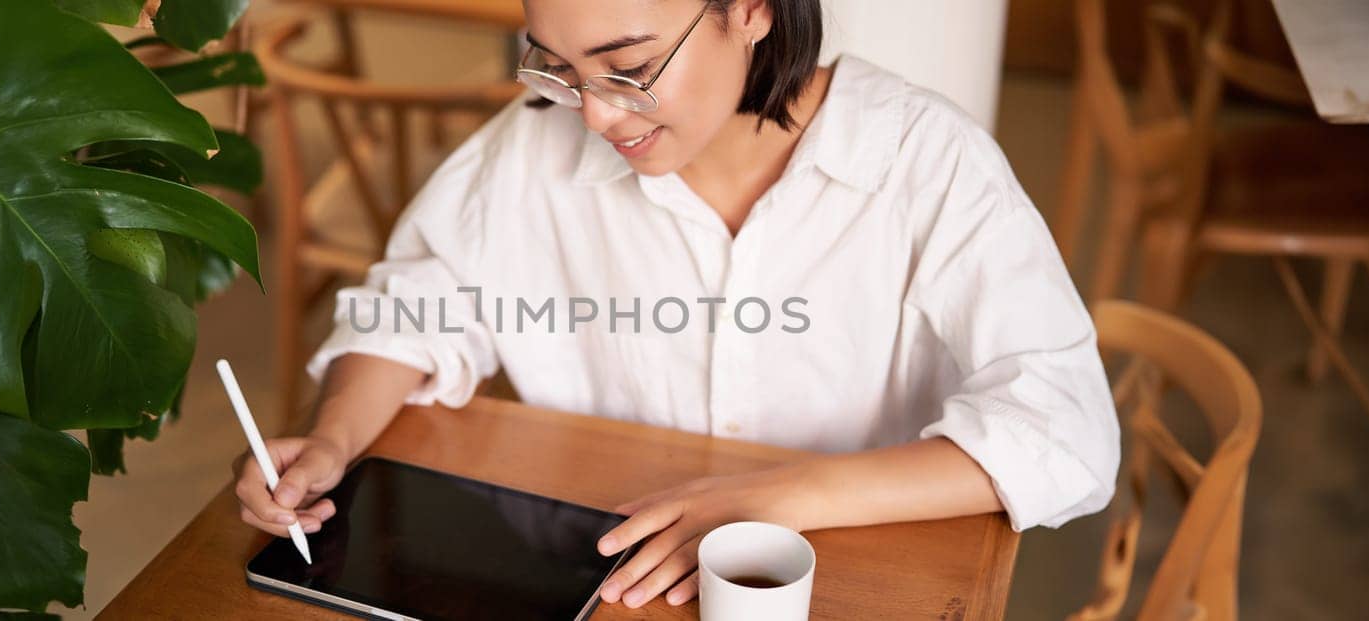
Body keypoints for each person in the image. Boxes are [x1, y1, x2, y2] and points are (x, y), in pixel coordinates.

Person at [233, 0, 1119, 609]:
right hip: (613, 583)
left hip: (840, 585)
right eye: (559, 70)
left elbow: (1064, 431)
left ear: (752, 9)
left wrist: (787, 494)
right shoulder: (534, 147)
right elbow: (414, 306)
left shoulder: (925, 162)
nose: (594, 117)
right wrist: (335, 439)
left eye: (627, 67)